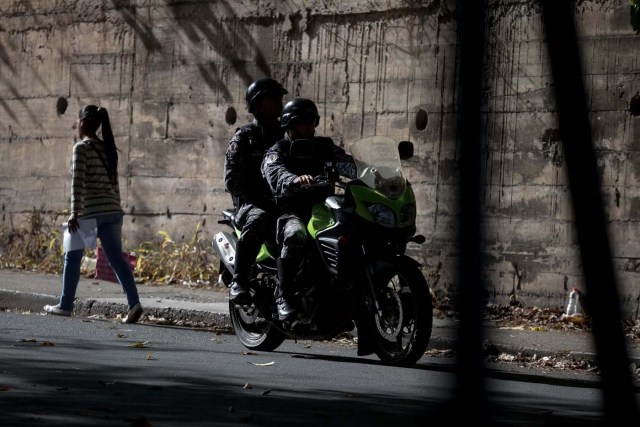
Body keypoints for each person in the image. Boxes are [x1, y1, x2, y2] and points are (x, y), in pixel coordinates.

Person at [44, 105, 143, 324]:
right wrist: (117, 209)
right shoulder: (108, 148)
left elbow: (77, 182)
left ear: (83, 123)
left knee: (73, 257)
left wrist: (74, 213)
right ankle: (134, 303)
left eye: (78, 121)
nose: (76, 126)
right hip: (112, 211)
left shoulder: (81, 148)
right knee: (117, 259)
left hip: (90, 212)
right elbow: (114, 183)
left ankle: (65, 305)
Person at [261, 98, 356, 323]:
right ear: (290, 124)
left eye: (313, 121)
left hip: (325, 207)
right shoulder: (279, 149)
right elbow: (274, 171)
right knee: (295, 234)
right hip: (293, 210)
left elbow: (348, 164)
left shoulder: (323, 146)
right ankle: (284, 296)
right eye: (305, 122)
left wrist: (370, 173)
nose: (311, 126)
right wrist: (294, 179)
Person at [224, 78, 288, 305]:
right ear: (259, 104)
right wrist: (262, 196)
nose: (280, 103)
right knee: (259, 218)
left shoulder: (287, 136)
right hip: (252, 204)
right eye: (274, 99)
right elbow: (231, 180)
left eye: (281, 98)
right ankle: (239, 281)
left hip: (285, 201)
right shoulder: (244, 138)